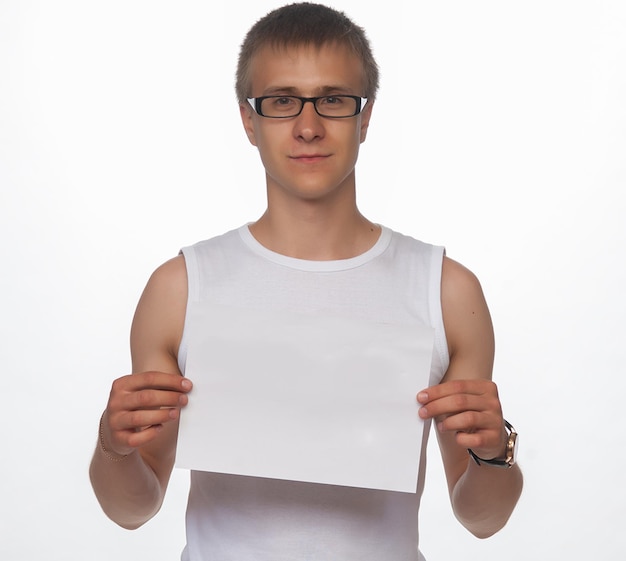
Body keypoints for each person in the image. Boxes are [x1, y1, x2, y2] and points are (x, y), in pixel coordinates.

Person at [89, 3, 523, 559]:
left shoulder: (444, 289)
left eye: (334, 100)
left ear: (365, 117)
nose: (309, 126)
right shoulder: (181, 287)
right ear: (249, 119)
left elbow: (481, 519)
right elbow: (132, 510)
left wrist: (493, 451)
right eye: (282, 101)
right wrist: (113, 446)